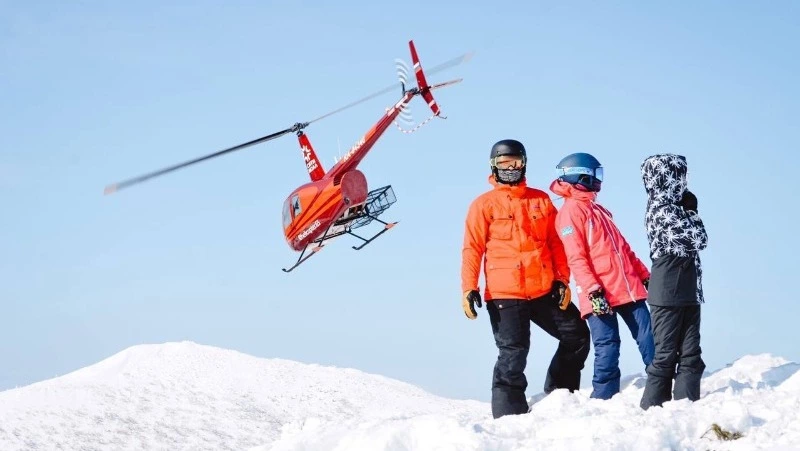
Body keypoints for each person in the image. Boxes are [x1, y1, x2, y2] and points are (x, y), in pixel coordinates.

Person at [461, 139, 590, 419]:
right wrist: (469, 288)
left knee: (577, 335)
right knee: (514, 352)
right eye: (504, 164)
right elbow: (472, 248)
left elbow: (556, 243)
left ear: (524, 163)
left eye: (515, 162)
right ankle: (509, 416)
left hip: (543, 289)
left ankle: (560, 395)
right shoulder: (483, 205)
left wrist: (561, 280)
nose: (511, 168)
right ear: (494, 166)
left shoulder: (540, 199)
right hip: (505, 294)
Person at [548, 152, 655, 400]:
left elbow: (624, 249)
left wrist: (644, 275)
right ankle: (604, 397)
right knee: (608, 344)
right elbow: (576, 257)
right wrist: (593, 290)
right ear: (579, 176)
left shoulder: (598, 210)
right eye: (594, 175)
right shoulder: (570, 213)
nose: (598, 181)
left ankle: (662, 378)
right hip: (599, 291)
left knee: (649, 333)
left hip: (628, 285)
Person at [639, 153, 708, 410]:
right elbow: (699, 238)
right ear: (667, 177)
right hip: (668, 289)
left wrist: (687, 211)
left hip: (687, 287)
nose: (684, 181)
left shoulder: (673, 208)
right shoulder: (662, 209)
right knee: (666, 355)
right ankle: (651, 409)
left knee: (691, 354)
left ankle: (686, 409)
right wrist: (692, 212)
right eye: (680, 175)